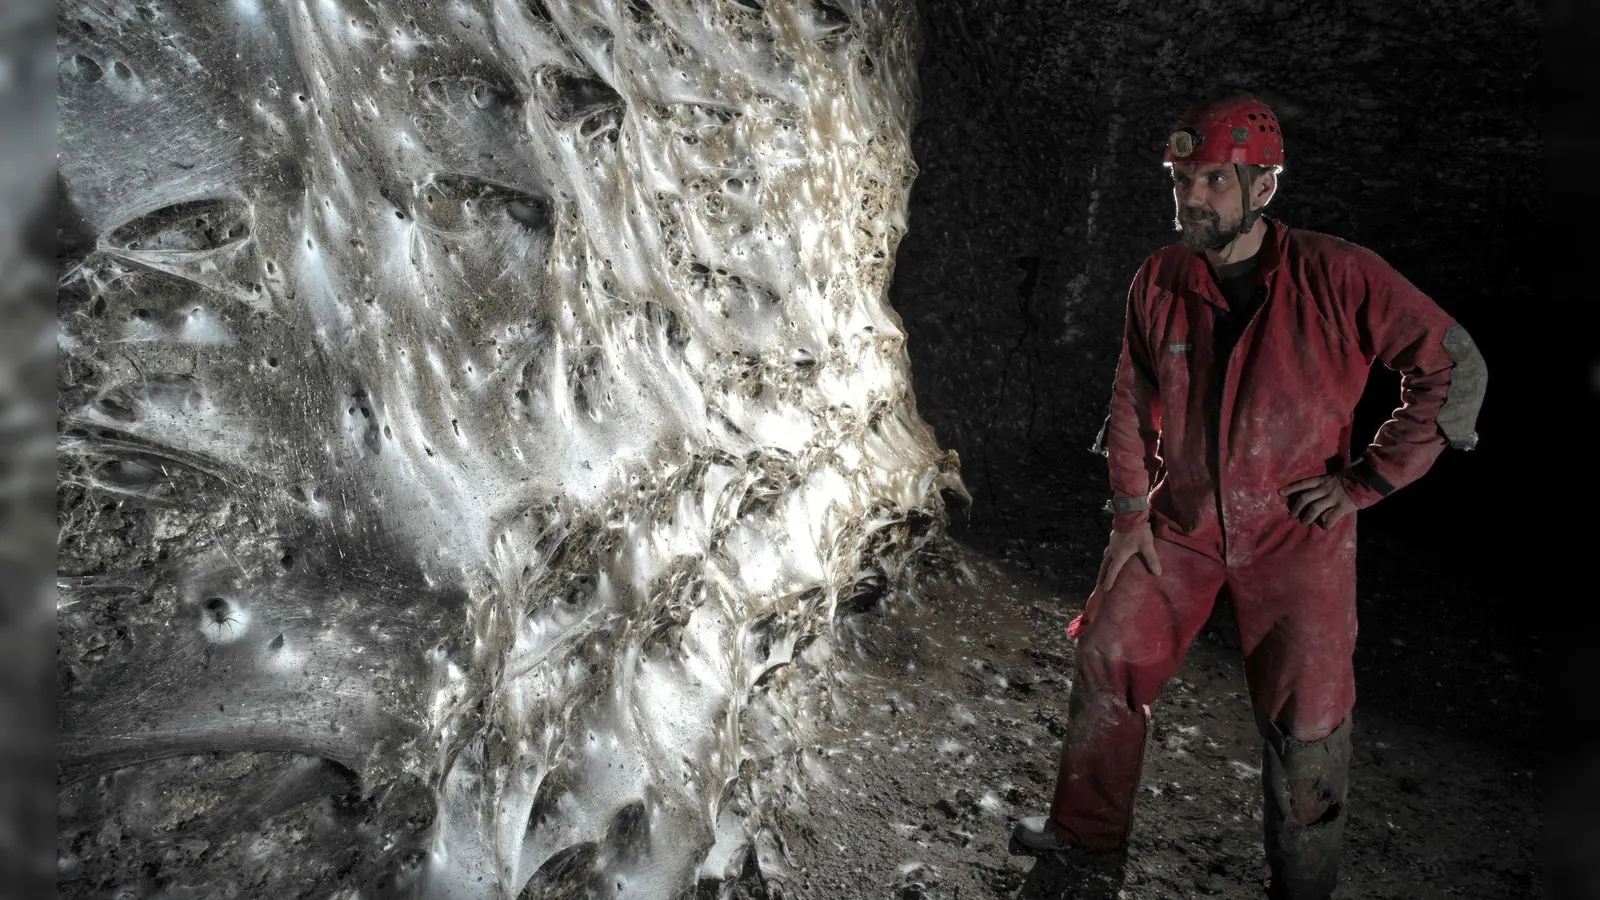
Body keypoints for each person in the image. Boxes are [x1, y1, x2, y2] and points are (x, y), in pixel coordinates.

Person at [1009, 95, 1488, 900]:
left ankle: (1301, 886)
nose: (1191, 198)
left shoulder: (1337, 273)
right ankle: (1085, 847)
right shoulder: (1161, 277)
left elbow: (1454, 366)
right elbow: (1130, 400)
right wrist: (1129, 513)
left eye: (1214, 181)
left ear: (1264, 188)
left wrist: (1368, 481)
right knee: (1110, 652)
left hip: (1296, 532)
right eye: (1181, 180)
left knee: (1309, 719)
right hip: (1183, 522)